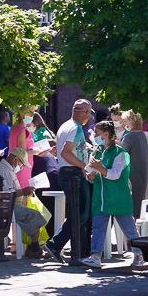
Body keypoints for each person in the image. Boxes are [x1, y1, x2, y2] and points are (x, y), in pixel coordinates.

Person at [78, 120, 144, 269]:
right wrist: (91, 176)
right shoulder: (98, 151)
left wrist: (99, 168)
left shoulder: (120, 153)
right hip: (101, 197)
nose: (95, 136)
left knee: (129, 228)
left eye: (97, 133)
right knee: (98, 228)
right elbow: (92, 173)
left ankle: (139, 254)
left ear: (106, 134)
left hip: (117, 197)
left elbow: (114, 174)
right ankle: (95, 257)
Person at [43, 100, 93, 264]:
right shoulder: (76, 128)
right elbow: (65, 152)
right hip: (73, 174)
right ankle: (55, 244)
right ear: (86, 113)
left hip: (67, 173)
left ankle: (80, 253)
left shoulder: (65, 125)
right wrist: (83, 165)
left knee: (77, 215)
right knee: (81, 214)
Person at [0, 147, 47, 258]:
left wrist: (24, 192)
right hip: (5, 207)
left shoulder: (7, 168)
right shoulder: (2, 169)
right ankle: (34, 248)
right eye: (22, 164)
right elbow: (6, 194)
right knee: (35, 214)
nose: (21, 167)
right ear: (15, 159)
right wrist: (24, 191)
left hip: (6, 206)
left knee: (34, 213)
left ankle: (32, 247)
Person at [120, 110, 148, 217]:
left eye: (126, 120)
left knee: (130, 210)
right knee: (139, 209)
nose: (124, 123)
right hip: (142, 177)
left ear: (131, 121)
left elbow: (121, 157)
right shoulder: (142, 135)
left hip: (131, 177)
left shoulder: (129, 137)